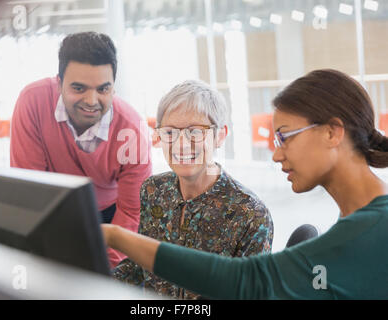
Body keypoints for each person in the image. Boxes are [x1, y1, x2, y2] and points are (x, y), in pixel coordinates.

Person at [102, 69, 388, 299]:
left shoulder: (369, 229)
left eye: (285, 137)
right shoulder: (356, 222)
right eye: (170, 132)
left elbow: (246, 280)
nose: (276, 154)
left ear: (332, 133)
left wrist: (115, 236)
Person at [112, 80, 273, 299]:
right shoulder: (153, 190)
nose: (181, 145)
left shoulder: (249, 214)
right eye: (170, 133)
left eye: (195, 132)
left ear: (220, 136)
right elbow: (140, 267)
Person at [10, 32, 152, 268]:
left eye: (103, 89)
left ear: (113, 87)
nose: (91, 100)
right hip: (52, 208)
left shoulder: (133, 129)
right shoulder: (32, 102)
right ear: (59, 83)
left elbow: (131, 213)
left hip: (111, 216)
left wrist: (104, 272)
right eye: (79, 88)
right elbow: (30, 190)